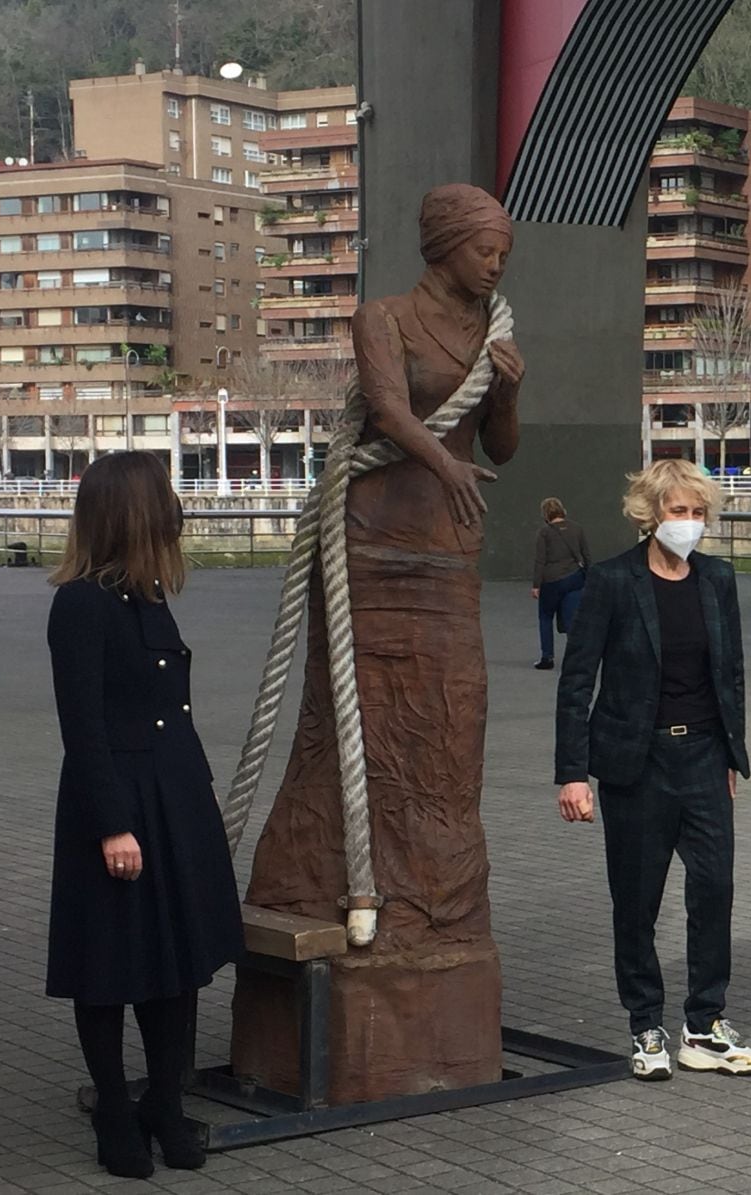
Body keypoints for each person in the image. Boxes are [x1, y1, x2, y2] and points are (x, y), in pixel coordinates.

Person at [233, 184, 525, 1102]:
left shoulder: (494, 333)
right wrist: (446, 461)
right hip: (369, 550)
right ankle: (347, 888)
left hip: (448, 555)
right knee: (355, 724)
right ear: (445, 245)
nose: (497, 264)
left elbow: (503, 448)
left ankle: (434, 910)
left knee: (450, 728)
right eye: (485, 250)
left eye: (504, 252)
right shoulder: (385, 317)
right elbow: (396, 416)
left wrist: (507, 391)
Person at [46, 452, 244, 1177]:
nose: (174, 511)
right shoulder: (80, 603)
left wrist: (202, 790)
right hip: (121, 804)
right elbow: (84, 725)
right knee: (108, 965)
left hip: (176, 796)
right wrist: (112, 823)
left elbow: (172, 712)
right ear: (130, 511)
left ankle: (164, 1098)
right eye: (162, 499)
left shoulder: (146, 596)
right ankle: (113, 1111)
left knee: (175, 961)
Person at [555, 458, 751, 1080]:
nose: (691, 524)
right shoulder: (612, 581)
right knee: (637, 900)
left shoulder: (717, 579)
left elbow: (730, 673)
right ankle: (645, 1023)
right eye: (680, 512)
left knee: (714, 890)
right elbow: (576, 682)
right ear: (651, 515)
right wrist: (573, 773)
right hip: (636, 763)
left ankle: (704, 1026)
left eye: (699, 513)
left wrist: (733, 754)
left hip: (705, 757)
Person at [531, 496, 590, 670]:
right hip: (574, 579)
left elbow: (540, 561)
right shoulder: (577, 529)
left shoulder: (544, 532)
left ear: (545, 514)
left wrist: (536, 585)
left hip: (551, 581)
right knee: (573, 620)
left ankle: (547, 657)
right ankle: (576, 658)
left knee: (545, 617)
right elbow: (586, 555)